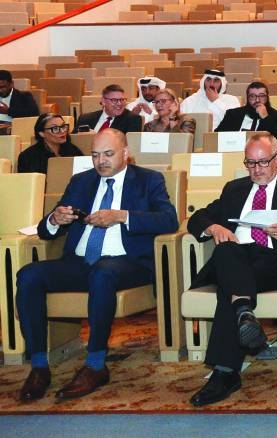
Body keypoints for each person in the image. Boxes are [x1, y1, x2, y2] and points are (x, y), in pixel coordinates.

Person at [15, 129, 178, 402]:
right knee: (29, 275)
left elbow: (168, 220)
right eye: (95, 155)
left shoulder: (148, 180)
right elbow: (45, 229)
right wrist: (56, 220)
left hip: (128, 262)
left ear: (125, 153)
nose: (101, 161)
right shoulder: (81, 182)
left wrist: (122, 216)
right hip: (81, 262)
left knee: (103, 274)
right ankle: (39, 366)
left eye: (108, 154)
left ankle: (95, 365)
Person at [186, 133, 277, 406]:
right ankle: (242, 318)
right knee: (227, 249)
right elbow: (197, 217)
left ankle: (226, 369)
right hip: (237, 259)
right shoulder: (234, 189)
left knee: (229, 279)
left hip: (275, 263)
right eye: (250, 163)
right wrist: (213, 227)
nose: (256, 170)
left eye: (263, 162)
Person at [217, 82, 277, 147]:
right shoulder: (233, 114)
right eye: (252, 96)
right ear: (247, 98)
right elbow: (217, 136)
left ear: (267, 98)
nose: (257, 100)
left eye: (261, 96)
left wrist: (266, 118)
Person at [17, 113, 83, 174]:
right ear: (42, 133)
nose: (62, 131)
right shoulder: (28, 157)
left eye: (63, 126)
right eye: (55, 128)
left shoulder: (72, 149)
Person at [73, 84, 143, 134]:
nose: (119, 103)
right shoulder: (85, 119)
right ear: (103, 101)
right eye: (114, 100)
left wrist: (93, 137)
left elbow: (128, 146)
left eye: (122, 100)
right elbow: (74, 142)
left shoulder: (133, 120)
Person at [0, 69, 40, 133]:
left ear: (12, 84)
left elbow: (34, 113)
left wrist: (8, 111)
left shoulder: (24, 96)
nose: (0, 90)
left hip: (14, 129)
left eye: (3, 87)